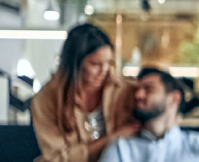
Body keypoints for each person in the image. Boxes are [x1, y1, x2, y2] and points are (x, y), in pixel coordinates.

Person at [32, 24, 139, 162]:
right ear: (75, 65)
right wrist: (113, 138)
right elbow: (57, 159)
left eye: (109, 62)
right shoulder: (46, 100)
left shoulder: (125, 89)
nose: (104, 70)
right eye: (95, 64)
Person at [98, 68, 199, 162]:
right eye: (137, 90)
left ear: (174, 99)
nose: (138, 95)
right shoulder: (120, 148)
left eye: (148, 89)